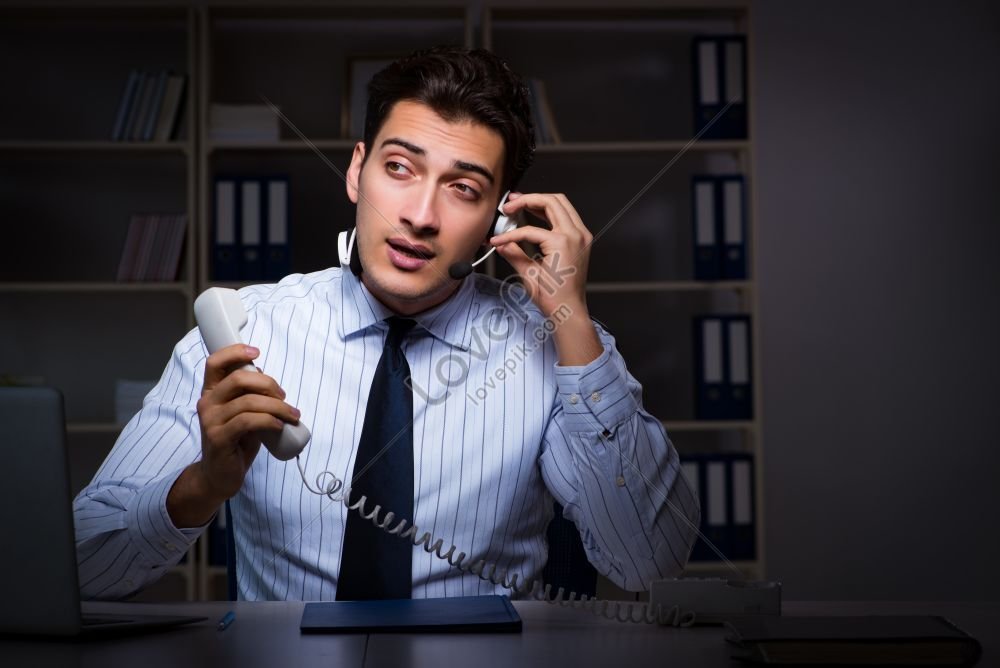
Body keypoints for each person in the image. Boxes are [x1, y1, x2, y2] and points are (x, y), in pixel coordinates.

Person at [74, 46, 700, 601]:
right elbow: (80, 568)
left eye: (463, 188)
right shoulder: (241, 334)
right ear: (356, 170)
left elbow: (650, 563)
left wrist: (572, 319)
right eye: (399, 168)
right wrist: (201, 487)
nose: (420, 215)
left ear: (499, 220)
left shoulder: (559, 345)